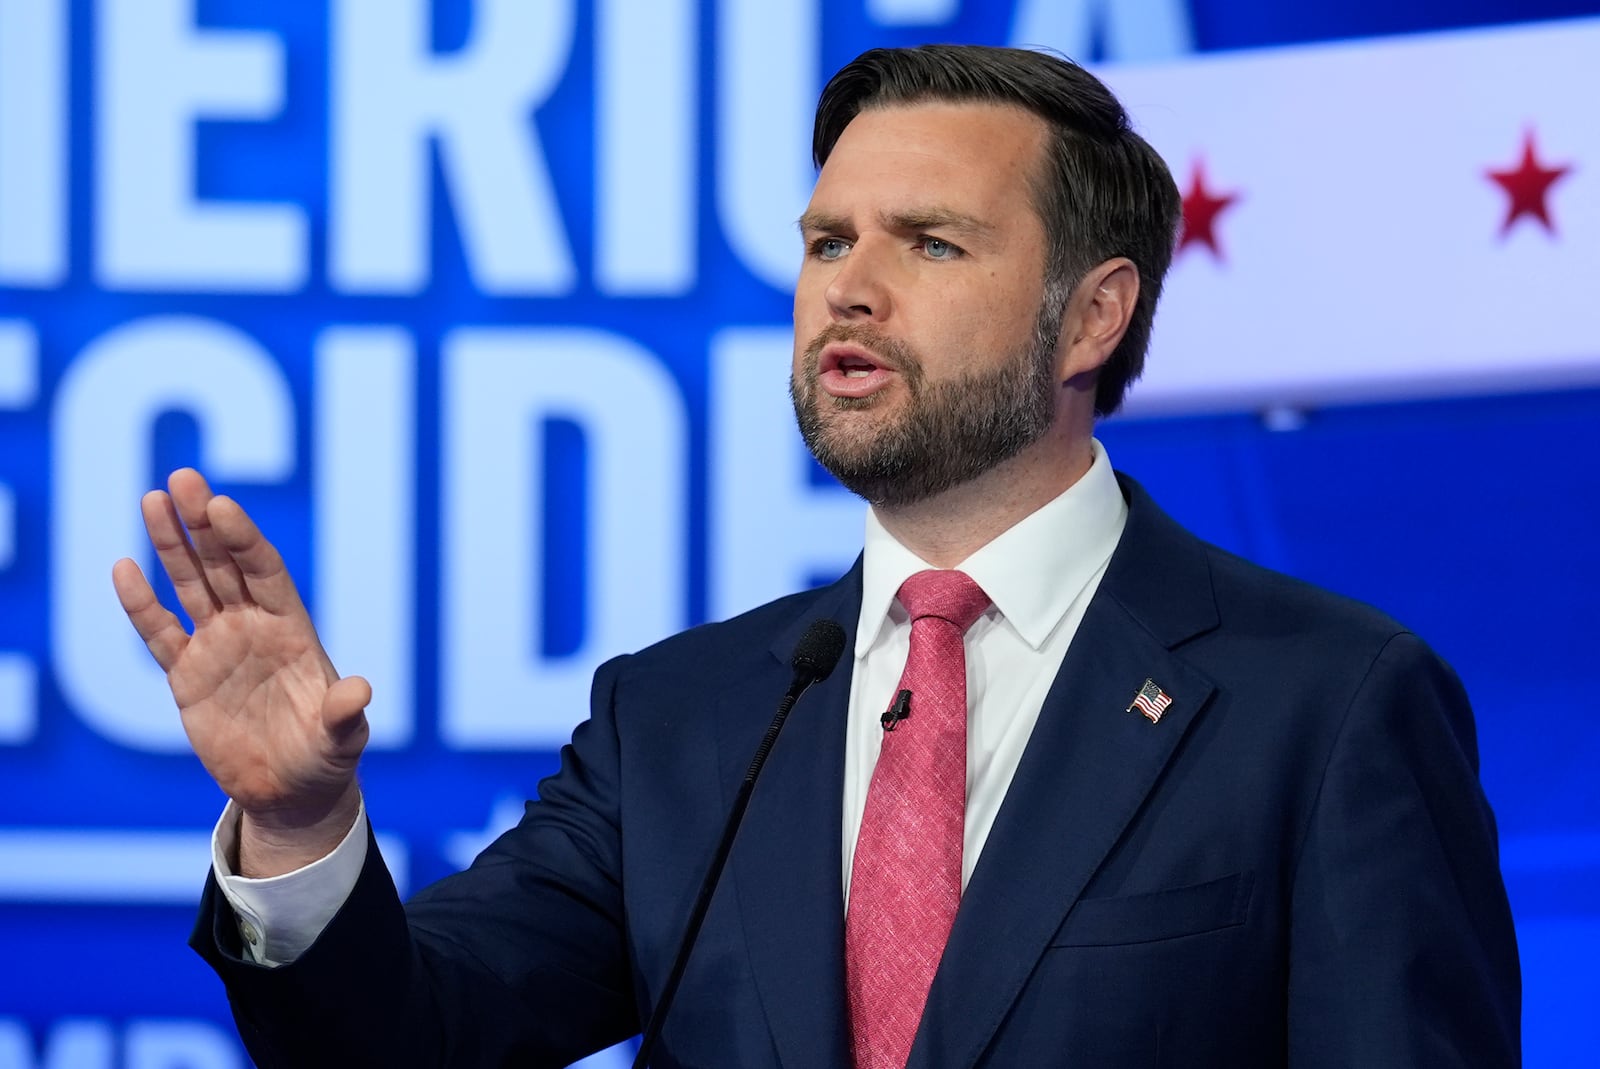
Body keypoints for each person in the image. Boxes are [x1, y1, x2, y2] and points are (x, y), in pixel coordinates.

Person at [113, 44, 1520, 1068]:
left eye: (932, 242)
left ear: (1093, 318)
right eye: (826, 239)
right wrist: (298, 830)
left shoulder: (1325, 701)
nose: (848, 283)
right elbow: (412, 1040)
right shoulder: (684, 715)